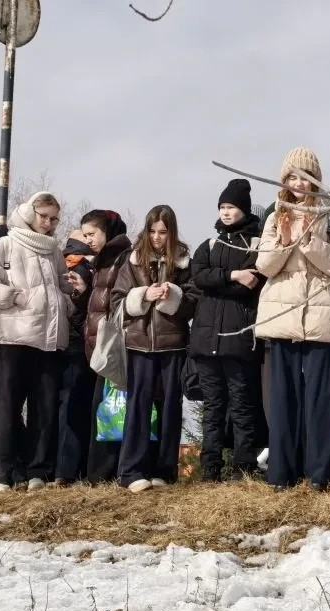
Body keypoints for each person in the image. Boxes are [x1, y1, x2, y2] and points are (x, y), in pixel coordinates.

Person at [0, 191, 81, 492]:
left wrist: (65, 302)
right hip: (11, 337)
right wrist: (14, 297)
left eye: (53, 218)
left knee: (44, 407)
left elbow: (62, 286)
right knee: (6, 407)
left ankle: (38, 472)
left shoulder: (54, 251)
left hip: (47, 339)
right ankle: (1, 474)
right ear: (29, 213)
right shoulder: (5, 243)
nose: (47, 223)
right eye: (43, 215)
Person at [256, 147, 330, 492]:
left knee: (321, 403)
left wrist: (310, 240)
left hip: (321, 321)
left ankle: (321, 477)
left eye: (305, 176)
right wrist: (283, 240)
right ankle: (281, 475)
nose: (298, 183)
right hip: (281, 318)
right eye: (292, 176)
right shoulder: (273, 216)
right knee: (282, 402)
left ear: (316, 180)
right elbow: (264, 266)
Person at [111, 205, 195, 493]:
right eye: (152, 231)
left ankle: (164, 471)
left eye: (163, 232)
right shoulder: (132, 262)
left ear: (171, 233)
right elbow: (116, 301)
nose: (157, 237)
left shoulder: (184, 262)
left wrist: (174, 297)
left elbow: (194, 302)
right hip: (138, 343)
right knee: (138, 406)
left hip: (173, 344)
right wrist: (143, 295)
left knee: (171, 407)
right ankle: (132, 471)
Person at [190, 179, 266, 482]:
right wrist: (232, 275)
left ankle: (243, 467)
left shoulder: (257, 244)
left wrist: (219, 281)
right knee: (213, 408)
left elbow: (250, 285)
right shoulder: (209, 244)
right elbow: (199, 276)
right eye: (222, 207)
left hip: (238, 339)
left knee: (242, 406)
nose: (225, 212)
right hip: (206, 340)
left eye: (231, 207)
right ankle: (210, 469)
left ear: (243, 210)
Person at [82, 210, 132, 484]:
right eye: (85, 234)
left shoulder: (121, 256)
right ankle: (102, 472)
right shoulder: (101, 259)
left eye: (92, 234)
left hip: (112, 344)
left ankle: (104, 473)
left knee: (109, 408)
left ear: (107, 232)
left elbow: (114, 300)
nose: (88, 240)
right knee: (104, 409)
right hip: (99, 344)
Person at [54, 234, 96, 484]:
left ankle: (60, 469)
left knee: (60, 408)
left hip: (57, 345)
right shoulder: (83, 267)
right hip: (78, 347)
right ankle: (70, 470)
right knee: (76, 409)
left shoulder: (57, 264)